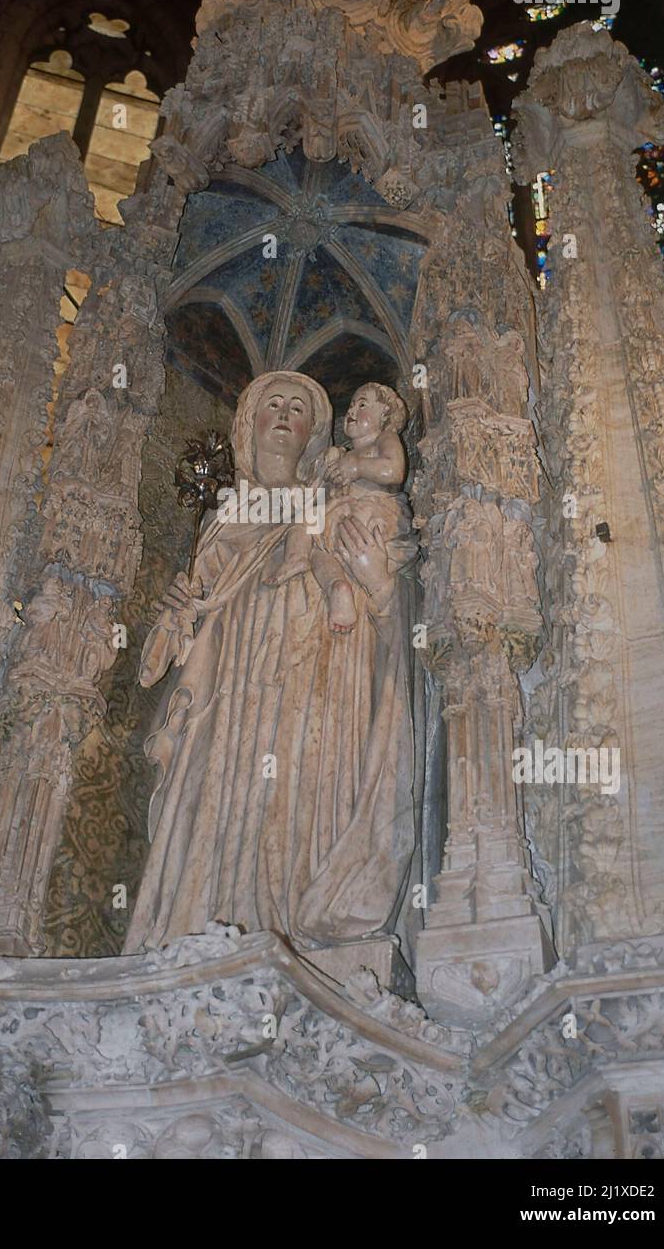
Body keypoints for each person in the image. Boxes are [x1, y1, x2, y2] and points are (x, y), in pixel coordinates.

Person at [125, 371, 420, 962]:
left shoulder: (330, 500)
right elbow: (188, 619)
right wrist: (180, 618)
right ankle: (199, 926)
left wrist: (375, 585)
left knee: (298, 785)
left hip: (319, 677)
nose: (285, 416)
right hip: (233, 684)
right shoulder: (227, 515)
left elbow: (395, 607)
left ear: (316, 432)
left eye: (299, 409)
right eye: (272, 406)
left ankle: (295, 929)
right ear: (248, 422)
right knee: (220, 785)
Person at [265, 382, 409, 633]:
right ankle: (333, 585)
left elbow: (394, 471)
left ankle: (316, 568)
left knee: (313, 532)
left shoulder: (385, 439)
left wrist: (356, 467)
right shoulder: (341, 454)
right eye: (352, 404)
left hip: (372, 514)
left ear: (384, 416)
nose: (352, 409)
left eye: (362, 404)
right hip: (340, 516)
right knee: (316, 547)